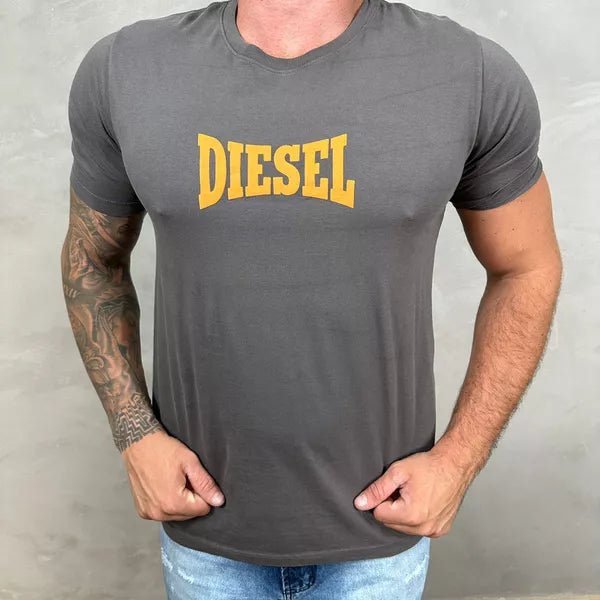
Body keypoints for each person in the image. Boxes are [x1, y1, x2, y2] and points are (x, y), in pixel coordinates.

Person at [61, 0, 562, 597]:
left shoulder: (471, 73)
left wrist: (460, 459)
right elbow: (92, 261)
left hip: (379, 542)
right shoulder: (126, 69)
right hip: (203, 534)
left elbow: (526, 267)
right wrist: (134, 431)